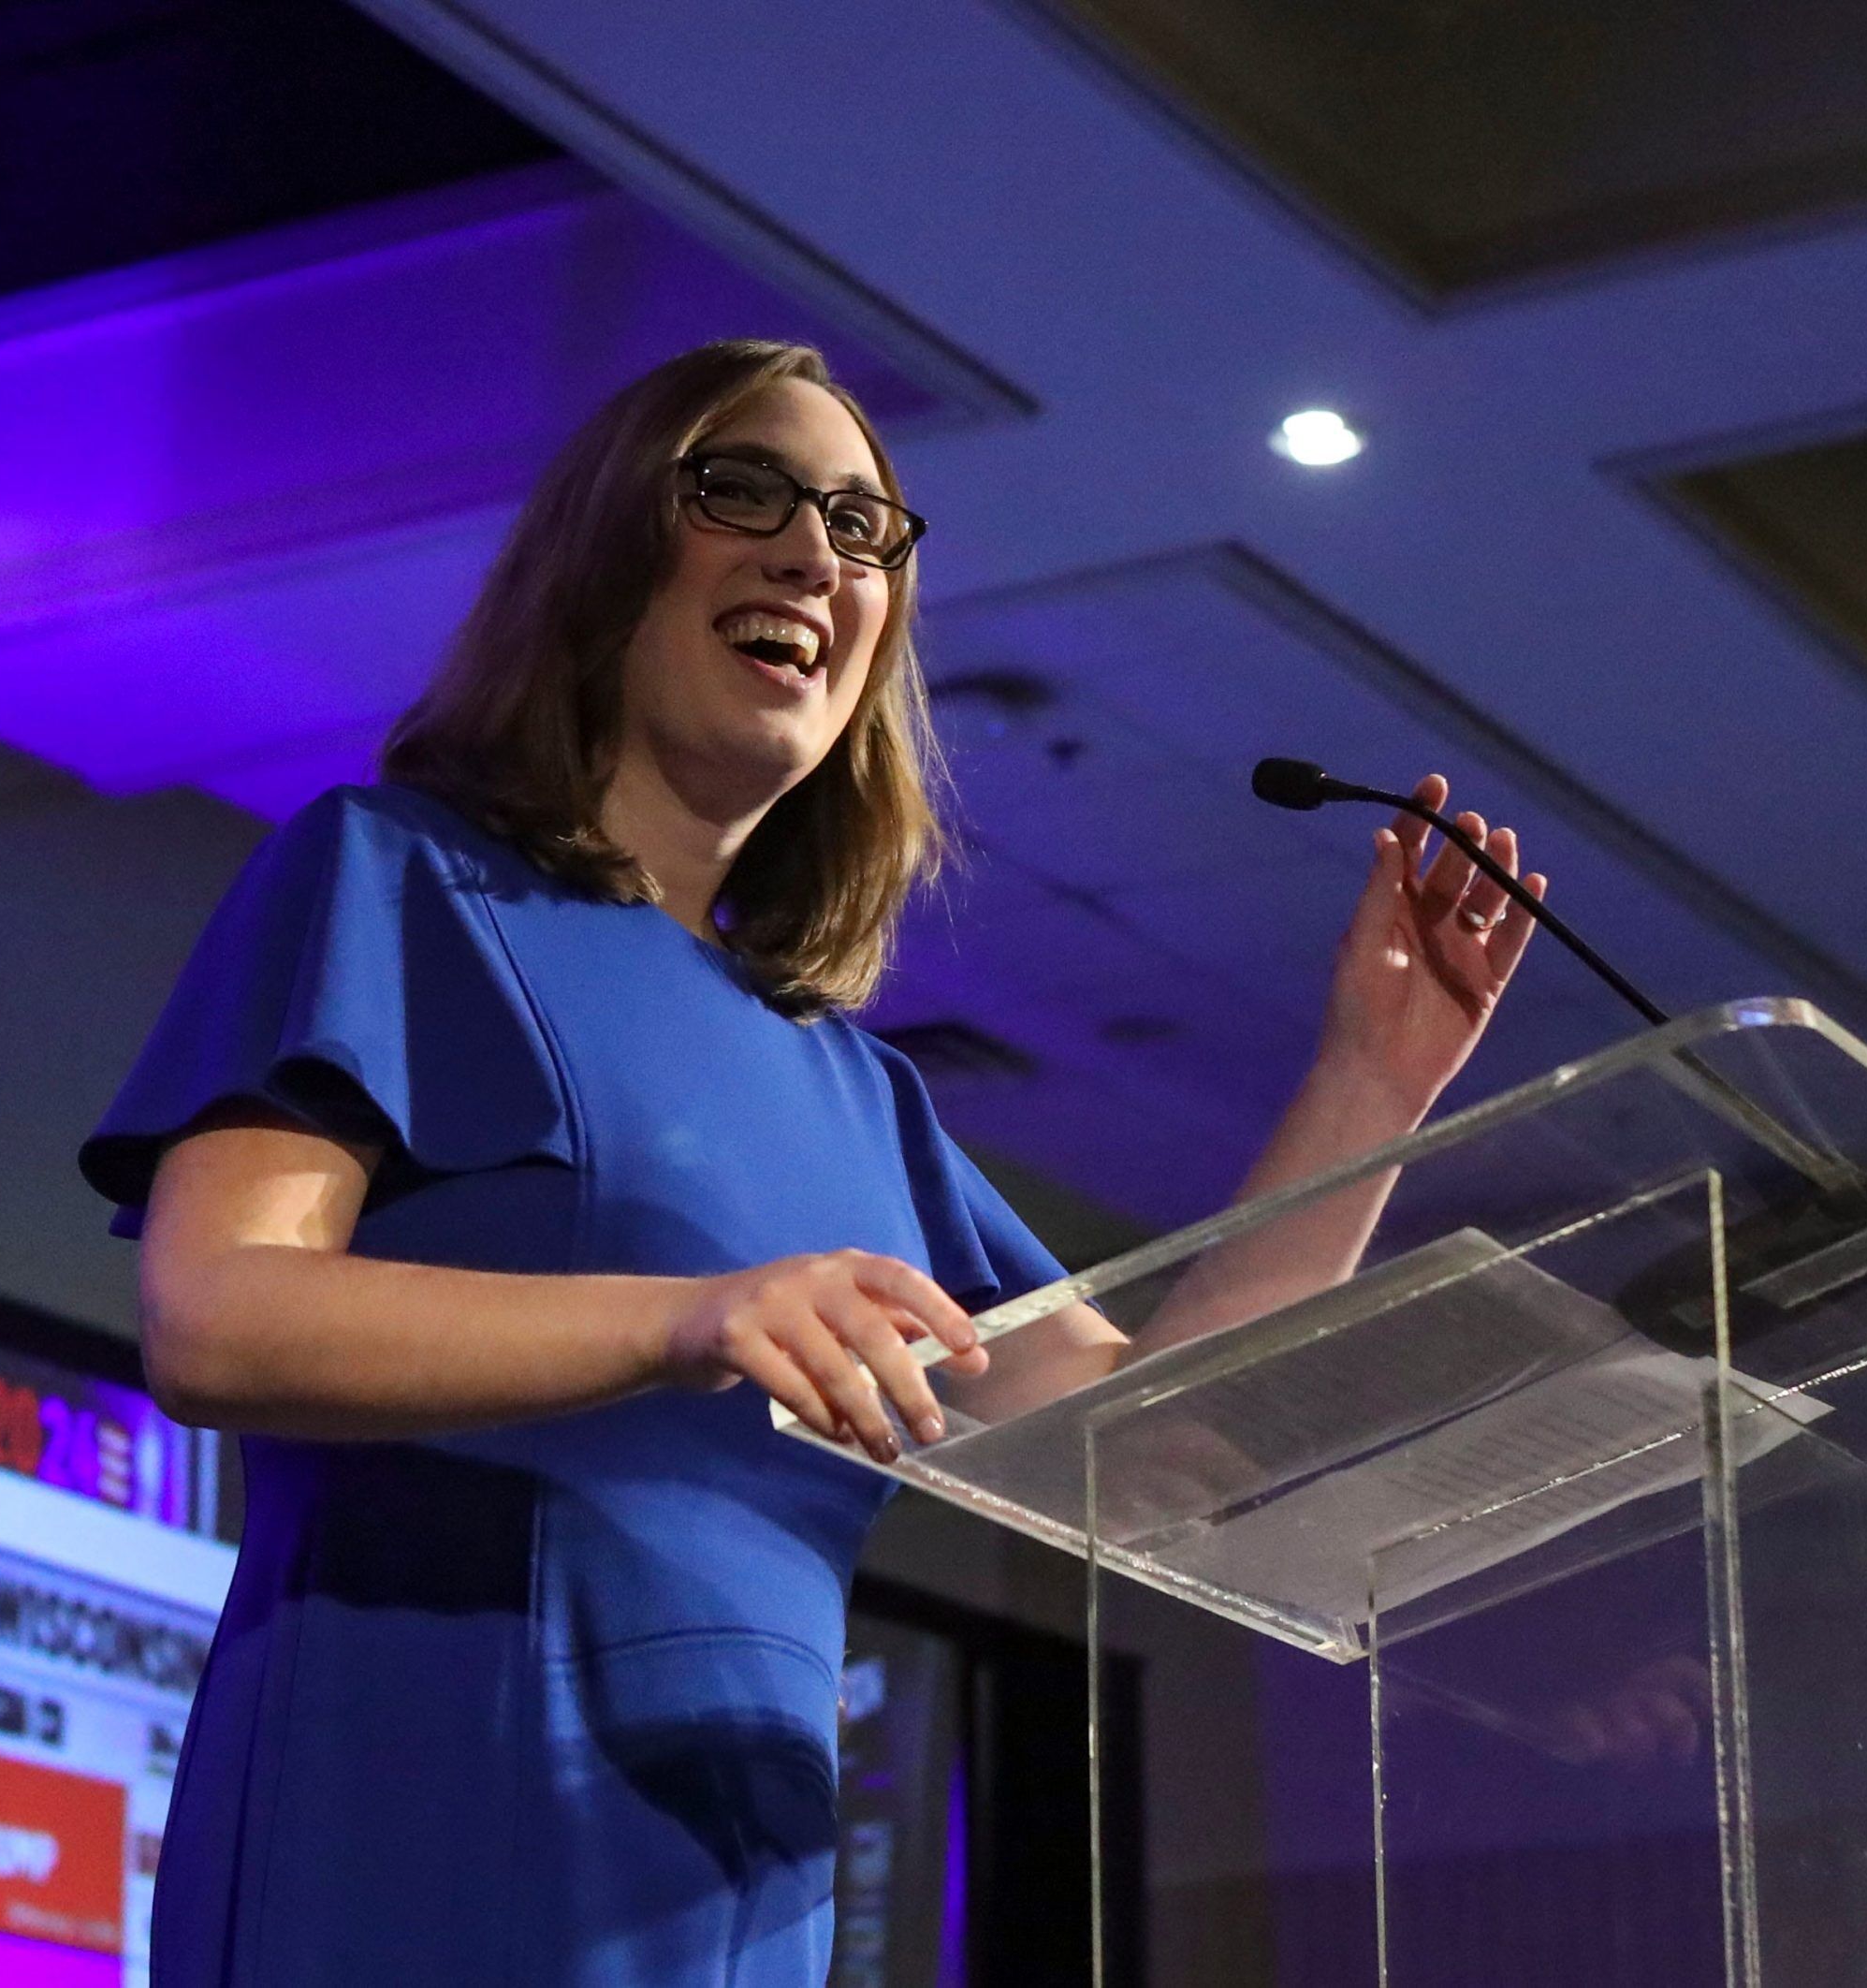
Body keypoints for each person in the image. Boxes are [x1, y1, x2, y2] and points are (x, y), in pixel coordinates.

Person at [79, 338, 1544, 1985]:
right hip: (426, 1825)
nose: (811, 553)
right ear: (603, 554)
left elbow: (1148, 1461)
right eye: (742, 489)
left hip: (732, 1884)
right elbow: (216, 1316)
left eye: (862, 526)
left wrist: (1372, 1080)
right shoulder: (396, 881)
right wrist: (687, 1323)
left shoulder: (860, 1095)